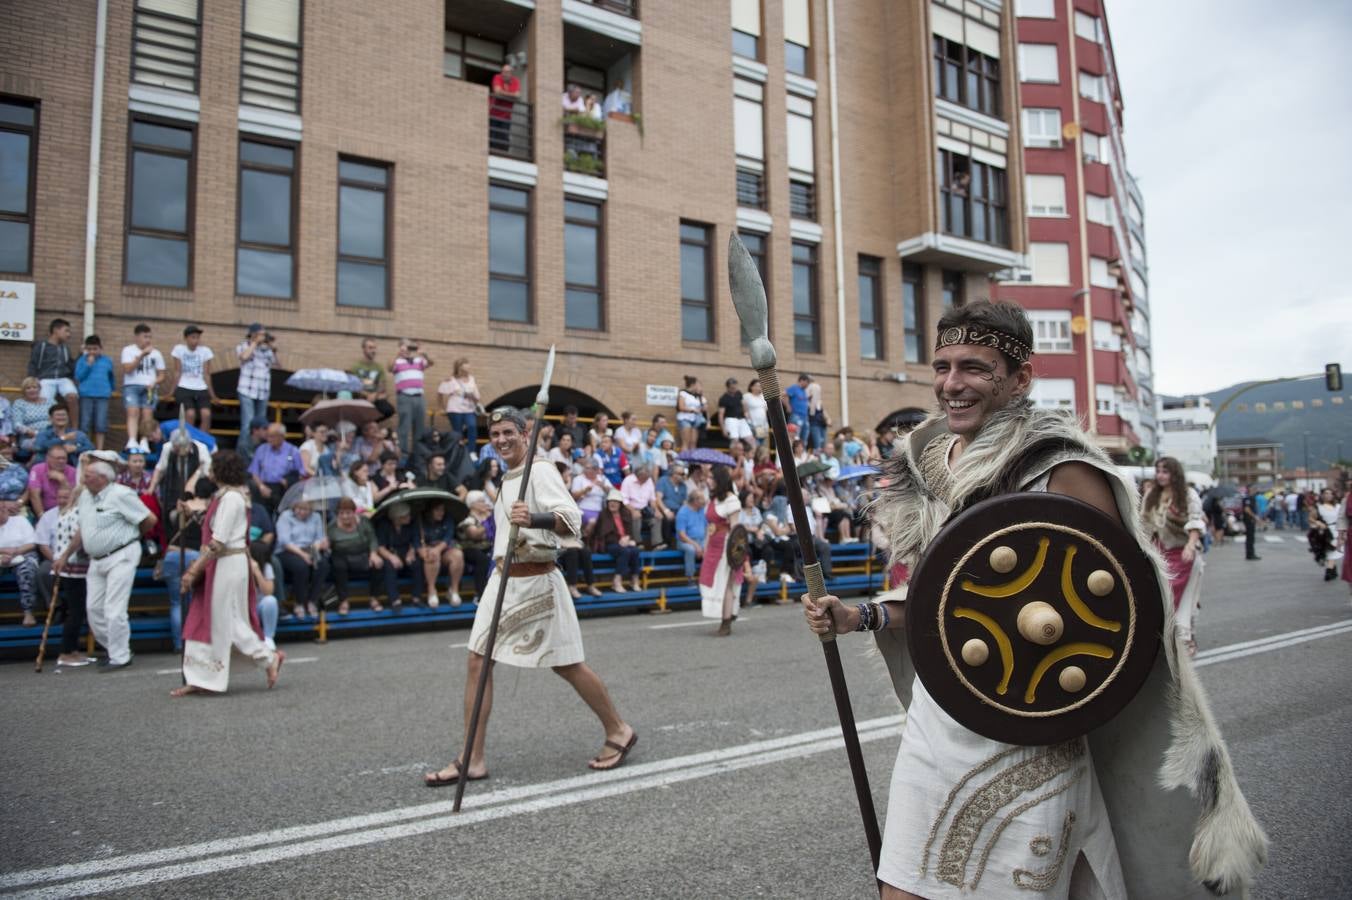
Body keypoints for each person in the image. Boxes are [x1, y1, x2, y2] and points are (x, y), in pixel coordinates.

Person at [802, 300, 1265, 898]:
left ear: (1020, 378)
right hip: (941, 715)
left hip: (1032, 720)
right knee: (903, 889)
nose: (951, 383)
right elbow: (943, 598)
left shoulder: (1062, 470)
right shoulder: (931, 464)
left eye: (974, 367)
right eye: (942, 366)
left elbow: (1116, 612)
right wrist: (858, 615)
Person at [425, 408, 636, 787]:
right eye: (495, 434)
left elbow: (572, 519)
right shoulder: (509, 478)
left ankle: (619, 730)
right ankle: (472, 758)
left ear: (525, 435)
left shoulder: (539, 470)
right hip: (502, 580)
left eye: (509, 432)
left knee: (567, 665)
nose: (501, 439)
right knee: (477, 661)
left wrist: (536, 519)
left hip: (536, 580)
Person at [171, 450, 285, 695]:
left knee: (227, 620)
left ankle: (268, 657)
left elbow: (218, 542)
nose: (210, 471)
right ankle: (200, 678)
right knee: (210, 618)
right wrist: (193, 514)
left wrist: (194, 570)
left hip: (228, 564)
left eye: (213, 467)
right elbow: (218, 531)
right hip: (223, 563)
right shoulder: (224, 496)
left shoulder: (232, 498)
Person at [54, 452, 157, 669]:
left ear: (103, 478)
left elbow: (149, 519)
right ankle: (117, 649)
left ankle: (120, 656)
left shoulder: (121, 494)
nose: (84, 479)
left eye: (88, 475)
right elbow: (83, 529)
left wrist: (132, 537)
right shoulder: (85, 496)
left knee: (114, 609)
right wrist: (65, 555)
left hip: (121, 554)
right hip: (97, 559)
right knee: (93, 609)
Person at [1141, 457, 1205, 656]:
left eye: (1165, 471)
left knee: (1180, 598)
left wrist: (1190, 546)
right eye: (1158, 471)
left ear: (1174, 474)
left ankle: (1185, 639)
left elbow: (1195, 522)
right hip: (1159, 551)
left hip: (1183, 553)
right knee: (1158, 595)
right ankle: (1163, 639)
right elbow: (1144, 523)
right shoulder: (1152, 494)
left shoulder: (1188, 494)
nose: (1160, 475)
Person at [37, 486, 91, 665]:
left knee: (76, 610)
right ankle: (66, 651)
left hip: (66, 566)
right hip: (74, 566)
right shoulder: (77, 514)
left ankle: (73, 649)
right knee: (76, 612)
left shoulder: (64, 513)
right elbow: (78, 540)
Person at [160, 478, 209, 651]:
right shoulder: (209, 508)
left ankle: (178, 644)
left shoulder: (180, 508)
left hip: (173, 555)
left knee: (176, 602)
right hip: (194, 556)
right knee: (196, 601)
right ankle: (193, 641)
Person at [699, 467, 745, 636]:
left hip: (726, 547)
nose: (708, 480)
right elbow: (709, 527)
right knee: (712, 581)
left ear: (720, 479)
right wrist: (705, 547)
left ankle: (726, 622)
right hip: (713, 545)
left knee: (726, 584)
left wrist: (734, 555)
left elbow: (735, 531)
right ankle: (725, 616)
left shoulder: (731, 500)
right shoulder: (712, 498)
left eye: (711, 477)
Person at [327, 496, 382, 615]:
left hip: (362, 554)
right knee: (338, 566)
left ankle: (374, 598)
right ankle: (343, 601)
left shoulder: (363, 522)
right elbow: (328, 546)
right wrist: (325, 544)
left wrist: (373, 553)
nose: (345, 516)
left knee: (377, 564)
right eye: (341, 513)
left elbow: (372, 539)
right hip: (341, 556)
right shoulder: (332, 526)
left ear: (354, 512)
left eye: (348, 513)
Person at [277, 499, 330, 617]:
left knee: (323, 565)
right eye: (299, 509)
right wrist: (303, 555)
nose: (302, 512)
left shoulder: (316, 517)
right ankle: (299, 602)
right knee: (301, 566)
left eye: (306, 509)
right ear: (294, 507)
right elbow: (285, 542)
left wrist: (318, 546)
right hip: (289, 550)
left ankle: (312, 600)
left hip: (310, 548)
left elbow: (319, 537)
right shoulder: (285, 517)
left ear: (311, 509)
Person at [120, 323, 165, 452]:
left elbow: (162, 375)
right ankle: (132, 440)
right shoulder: (128, 350)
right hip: (131, 385)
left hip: (149, 387)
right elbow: (127, 369)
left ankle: (144, 441)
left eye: (150, 337)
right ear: (137, 337)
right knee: (132, 412)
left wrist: (155, 382)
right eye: (145, 337)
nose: (148, 340)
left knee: (147, 414)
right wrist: (141, 355)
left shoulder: (156, 353)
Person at [234, 323, 276, 459]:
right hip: (247, 390)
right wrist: (255, 343)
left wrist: (271, 346)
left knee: (262, 425)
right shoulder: (244, 345)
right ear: (253, 334)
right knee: (248, 424)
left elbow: (277, 364)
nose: (263, 337)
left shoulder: (266, 350)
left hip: (263, 392)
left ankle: (258, 454)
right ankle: (242, 456)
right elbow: (244, 357)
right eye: (260, 334)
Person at [28, 317, 80, 422]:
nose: (68, 334)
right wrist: (32, 379)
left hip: (63, 378)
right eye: (66, 331)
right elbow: (33, 363)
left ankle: (74, 428)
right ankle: (47, 427)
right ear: (56, 330)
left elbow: (70, 365)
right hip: (45, 378)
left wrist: (81, 355)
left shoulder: (65, 348)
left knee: (72, 397)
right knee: (44, 403)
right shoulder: (41, 346)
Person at [170, 325, 219, 432]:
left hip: (201, 387)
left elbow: (206, 374)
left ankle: (201, 439)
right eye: (193, 337)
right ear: (186, 338)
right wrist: (171, 392)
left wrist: (213, 395)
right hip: (184, 386)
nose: (196, 340)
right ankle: (188, 438)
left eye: (197, 337)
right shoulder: (179, 349)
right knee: (190, 414)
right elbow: (177, 371)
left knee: (206, 414)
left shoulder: (205, 351)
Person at [0, 499, 40, 627]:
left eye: (3, 508)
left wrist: (15, 552)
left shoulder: (20, 521)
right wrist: (3, 553)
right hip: (2, 557)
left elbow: (32, 543)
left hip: (22, 554)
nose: (2, 511)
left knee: (26, 570)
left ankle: (29, 613)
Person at [390, 338, 432, 459]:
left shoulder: (419, 360)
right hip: (404, 397)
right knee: (404, 426)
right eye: (405, 346)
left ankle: (417, 455)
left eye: (409, 346)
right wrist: (397, 354)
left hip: (419, 397)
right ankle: (402, 456)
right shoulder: (397, 361)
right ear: (400, 347)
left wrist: (424, 353)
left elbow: (431, 363)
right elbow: (389, 367)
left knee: (420, 427)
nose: (407, 349)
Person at [417, 500, 465, 607]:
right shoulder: (419, 520)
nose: (441, 513)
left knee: (458, 555)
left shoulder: (448, 518)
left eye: (442, 510)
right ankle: (431, 590)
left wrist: (437, 549)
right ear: (430, 511)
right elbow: (416, 541)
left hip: (444, 551)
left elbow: (448, 538)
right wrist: (422, 551)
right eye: (437, 510)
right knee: (432, 555)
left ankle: (454, 590)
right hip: (427, 554)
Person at [594, 488, 642, 593]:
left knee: (635, 550)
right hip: (609, 543)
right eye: (610, 501)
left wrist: (628, 538)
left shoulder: (626, 513)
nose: (612, 504)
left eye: (615, 501)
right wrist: (620, 540)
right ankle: (616, 581)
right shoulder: (603, 514)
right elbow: (603, 534)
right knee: (625, 551)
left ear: (620, 504)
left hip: (624, 542)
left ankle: (634, 580)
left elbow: (629, 531)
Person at [374, 501, 420, 610]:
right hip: (390, 552)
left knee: (417, 563)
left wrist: (411, 552)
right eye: (406, 516)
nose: (409, 517)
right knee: (389, 566)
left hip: (406, 551)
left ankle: (416, 597)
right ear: (397, 518)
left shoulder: (411, 524)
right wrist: (391, 557)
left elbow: (415, 541)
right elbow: (380, 547)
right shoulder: (383, 525)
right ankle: (395, 600)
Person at [75, 334, 115, 450]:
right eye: (89, 349)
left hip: (103, 395)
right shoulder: (82, 360)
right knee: (85, 423)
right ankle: (84, 448)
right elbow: (78, 376)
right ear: (85, 349)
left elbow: (111, 377)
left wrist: (111, 389)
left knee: (101, 424)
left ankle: (99, 450)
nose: (92, 352)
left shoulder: (107, 361)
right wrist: (88, 365)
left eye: (95, 349)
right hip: (86, 395)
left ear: (100, 348)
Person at [457, 490, 494, 601]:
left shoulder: (487, 516)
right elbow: (475, 535)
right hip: (470, 549)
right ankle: (481, 594)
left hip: (487, 548)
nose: (484, 504)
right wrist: (488, 521)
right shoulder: (467, 519)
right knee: (482, 559)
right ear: (472, 504)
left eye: (484, 501)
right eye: (481, 501)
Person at [438, 358, 481, 454]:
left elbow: (477, 397)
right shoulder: (452, 379)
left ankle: (471, 452)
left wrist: (472, 396)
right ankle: (459, 453)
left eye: (468, 365)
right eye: (466, 365)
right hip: (455, 410)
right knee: (458, 432)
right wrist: (441, 408)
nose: (468, 367)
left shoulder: (472, 379)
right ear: (459, 367)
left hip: (469, 409)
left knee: (472, 427)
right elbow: (440, 392)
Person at [27, 444, 77, 518]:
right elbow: (34, 495)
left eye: (64, 458)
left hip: (67, 513)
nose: (61, 461)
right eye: (58, 458)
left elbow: (72, 498)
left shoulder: (73, 471)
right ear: (48, 458)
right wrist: (42, 517)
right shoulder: (37, 469)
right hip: (44, 512)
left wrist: (63, 480)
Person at [351, 337, 394, 420]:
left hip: (375, 397)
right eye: (370, 348)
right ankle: (366, 423)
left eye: (374, 348)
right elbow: (354, 386)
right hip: (361, 398)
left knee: (388, 410)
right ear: (364, 349)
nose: (373, 350)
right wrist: (367, 395)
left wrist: (375, 395)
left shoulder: (378, 367)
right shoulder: (356, 367)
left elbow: (382, 386)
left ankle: (370, 422)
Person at [10, 377, 51, 458]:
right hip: (29, 438)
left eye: (34, 387)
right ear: (24, 391)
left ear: (39, 389)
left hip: (50, 435)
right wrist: (37, 434)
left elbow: (56, 418)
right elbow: (17, 425)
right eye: (28, 388)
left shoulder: (50, 402)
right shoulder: (19, 403)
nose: (32, 390)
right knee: (43, 445)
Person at [619, 463, 658, 548]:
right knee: (636, 516)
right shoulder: (628, 481)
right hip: (631, 508)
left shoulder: (649, 480)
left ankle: (657, 543)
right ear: (637, 476)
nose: (646, 480)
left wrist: (656, 510)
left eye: (647, 477)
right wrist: (633, 510)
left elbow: (652, 499)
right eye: (644, 478)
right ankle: (638, 542)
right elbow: (624, 499)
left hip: (645, 509)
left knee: (657, 517)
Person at [1310, 488, 1342, 582]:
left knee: (1332, 550)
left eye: (1330, 493)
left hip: (1336, 530)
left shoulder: (1338, 506)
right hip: (1324, 531)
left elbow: (1343, 519)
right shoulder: (1318, 507)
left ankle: (1329, 571)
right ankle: (1332, 568)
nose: (1328, 495)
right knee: (1327, 551)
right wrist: (1318, 523)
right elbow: (1311, 518)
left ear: (1333, 495)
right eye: (1326, 493)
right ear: (1322, 495)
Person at [653, 463, 689, 548]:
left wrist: (683, 514)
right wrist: (666, 511)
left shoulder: (683, 485)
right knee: (668, 518)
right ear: (674, 474)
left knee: (685, 519)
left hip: (678, 510)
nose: (683, 476)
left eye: (684, 474)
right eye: (681, 474)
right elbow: (658, 499)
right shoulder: (663, 480)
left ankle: (683, 542)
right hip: (664, 508)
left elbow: (684, 503)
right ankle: (667, 544)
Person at [489, 62, 521, 154]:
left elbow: (518, 96)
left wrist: (503, 94)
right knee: (492, 137)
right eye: (503, 72)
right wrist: (511, 95)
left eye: (507, 72)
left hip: (506, 116)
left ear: (511, 73)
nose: (504, 74)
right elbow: (497, 92)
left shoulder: (516, 81)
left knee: (504, 138)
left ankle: (502, 155)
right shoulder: (497, 77)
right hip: (493, 113)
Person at [675, 489, 707, 581]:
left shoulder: (702, 510)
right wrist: (696, 545)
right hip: (685, 541)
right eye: (702, 499)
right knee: (691, 549)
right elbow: (682, 535)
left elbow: (707, 527)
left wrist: (705, 543)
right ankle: (690, 577)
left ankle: (706, 576)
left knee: (710, 547)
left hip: (701, 539)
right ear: (695, 501)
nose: (704, 501)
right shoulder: (682, 512)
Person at [716, 378, 753, 448]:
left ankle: (749, 454)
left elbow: (744, 404)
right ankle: (734, 455)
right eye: (732, 388)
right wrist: (723, 429)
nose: (734, 389)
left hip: (741, 419)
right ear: (728, 387)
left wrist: (746, 413)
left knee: (751, 440)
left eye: (735, 387)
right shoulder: (723, 398)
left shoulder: (739, 393)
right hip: (731, 420)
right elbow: (721, 415)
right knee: (735, 441)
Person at [676, 376, 706, 452]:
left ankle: (692, 459)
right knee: (686, 442)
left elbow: (702, 407)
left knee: (693, 443)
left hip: (695, 420)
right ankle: (684, 459)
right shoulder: (683, 393)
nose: (699, 386)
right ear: (693, 385)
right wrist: (693, 410)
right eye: (697, 384)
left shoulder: (696, 396)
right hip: (685, 419)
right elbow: (681, 407)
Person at [783, 373, 811, 443]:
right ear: (802, 380)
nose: (808, 384)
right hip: (796, 416)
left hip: (804, 417)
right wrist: (788, 406)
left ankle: (802, 450)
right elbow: (784, 395)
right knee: (795, 437)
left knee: (804, 439)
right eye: (807, 382)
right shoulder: (794, 388)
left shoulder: (803, 391)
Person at [743, 378, 769, 446]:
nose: (758, 388)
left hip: (762, 425)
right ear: (751, 387)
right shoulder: (747, 396)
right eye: (756, 386)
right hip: (751, 424)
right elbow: (745, 410)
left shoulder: (763, 397)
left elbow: (765, 410)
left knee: (761, 444)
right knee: (753, 444)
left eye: (759, 386)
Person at [1240, 484, 1261, 560]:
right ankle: (1250, 554)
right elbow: (1247, 509)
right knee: (1250, 537)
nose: (1255, 490)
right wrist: (1255, 517)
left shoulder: (1251, 497)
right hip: (1249, 519)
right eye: (1254, 488)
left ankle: (1251, 553)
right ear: (1250, 489)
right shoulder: (1248, 498)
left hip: (1250, 519)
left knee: (1251, 537)